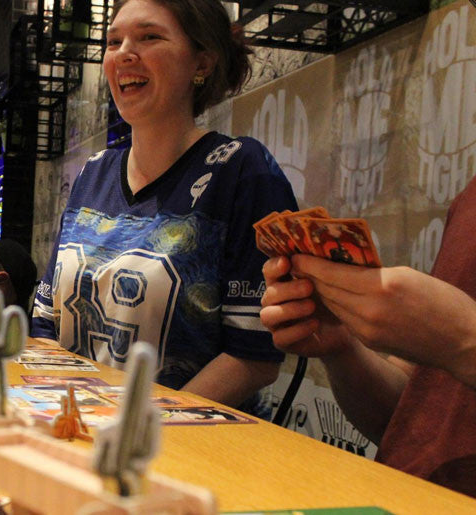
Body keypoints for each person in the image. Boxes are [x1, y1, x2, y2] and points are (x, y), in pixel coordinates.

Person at [30, 0, 298, 417]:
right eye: (113, 41)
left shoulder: (240, 169)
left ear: (202, 62)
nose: (124, 53)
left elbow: (253, 356)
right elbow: (45, 323)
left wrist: (138, 429)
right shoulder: (94, 172)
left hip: (187, 444)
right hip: (75, 431)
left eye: (149, 37)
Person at [260, 177, 476, 497]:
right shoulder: (470, 198)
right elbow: (407, 418)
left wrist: (464, 340)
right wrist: (341, 348)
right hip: (396, 495)